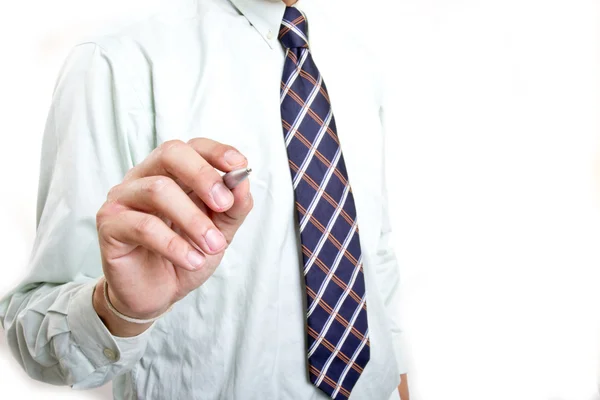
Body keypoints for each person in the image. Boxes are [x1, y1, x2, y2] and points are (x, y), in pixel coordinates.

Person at [0, 0, 409, 398]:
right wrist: (120, 311)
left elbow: (375, 251)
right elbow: (34, 329)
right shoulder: (117, 59)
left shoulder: (358, 63)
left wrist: (399, 381)